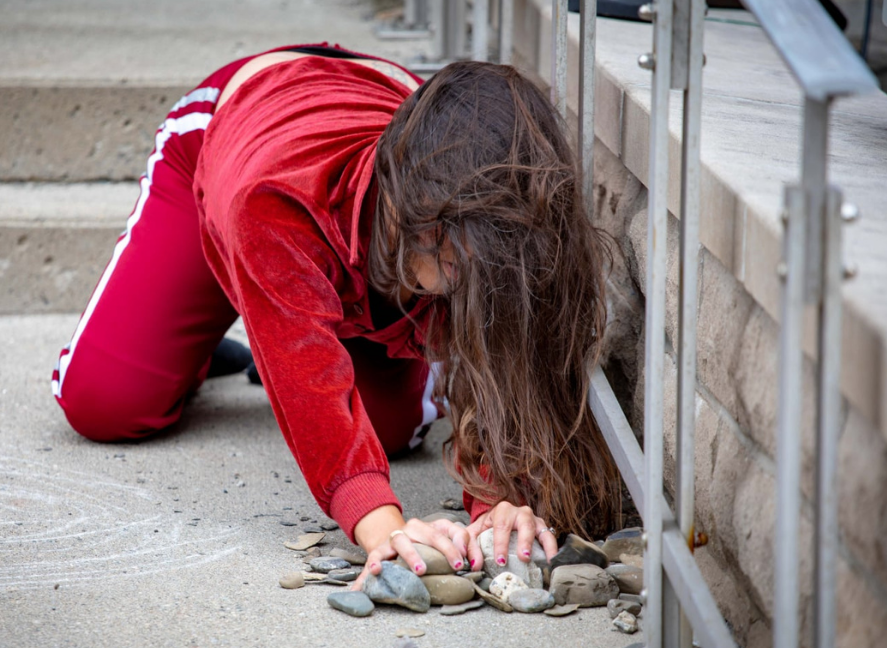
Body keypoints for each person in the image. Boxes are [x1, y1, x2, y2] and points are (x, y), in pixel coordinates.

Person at [50, 43, 621, 586]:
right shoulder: (272, 198)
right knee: (104, 399)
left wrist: (499, 500)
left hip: (383, 121)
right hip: (239, 139)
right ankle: (222, 320)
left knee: (389, 433)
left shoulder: (468, 214)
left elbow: (493, 364)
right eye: (451, 255)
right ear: (400, 203)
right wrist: (386, 532)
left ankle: (287, 313)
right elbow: (314, 392)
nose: (466, 269)